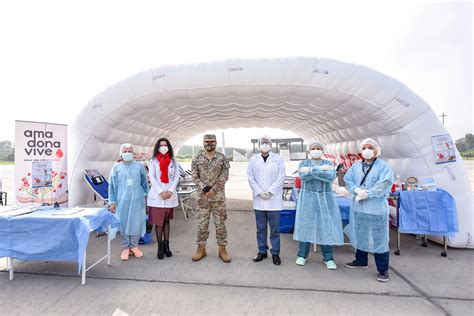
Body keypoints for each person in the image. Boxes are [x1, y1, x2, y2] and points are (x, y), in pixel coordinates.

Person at [343, 138, 394, 282]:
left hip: (376, 208)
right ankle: (361, 260)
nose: (366, 150)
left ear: (376, 150)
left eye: (370, 147)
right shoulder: (357, 166)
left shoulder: (383, 167)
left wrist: (368, 193)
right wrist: (357, 190)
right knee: (361, 235)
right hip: (359, 207)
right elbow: (348, 180)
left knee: (380, 238)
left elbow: (384, 183)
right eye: (364, 147)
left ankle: (383, 269)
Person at [294, 140, 344, 269]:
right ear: (309, 150)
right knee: (305, 225)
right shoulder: (303, 163)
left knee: (325, 226)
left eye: (318, 148)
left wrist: (311, 170)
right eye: (313, 148)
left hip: (324, 198)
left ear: (322, 150)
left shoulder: (328, 163)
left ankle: (328, 257)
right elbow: (303, 176)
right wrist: (320, 170)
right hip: (307, 198)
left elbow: (330, 177)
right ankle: (302, 255)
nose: (315, 150)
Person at [191, 134, 231, 263]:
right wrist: (203, 188)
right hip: (202, 198)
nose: (209, 143)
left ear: (216, 142)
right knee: (202, 224)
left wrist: (214, 189)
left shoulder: (222, 158)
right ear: (203, 143)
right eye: (207, 141)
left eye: (212, 141)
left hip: (217, 197)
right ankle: (201, 249)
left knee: (220, 224)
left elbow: (224, 175)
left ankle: (222, 249)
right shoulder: (196, 158)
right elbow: (194, 175)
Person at [247, 135, 286, 265]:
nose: (265, 144)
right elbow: (250, 177)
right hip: (259, 201)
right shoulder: (253, 159)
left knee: (275, 229)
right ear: (259, 145)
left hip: (273, 200)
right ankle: (262, 251)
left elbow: (281, 177)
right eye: (262, 143)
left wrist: (270, 192)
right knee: (260, 228)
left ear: (271, 144)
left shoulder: (278, 159)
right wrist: (259, 192)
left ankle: (275, 253)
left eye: (267, 142)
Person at [108, 143, 149, 261]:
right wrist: (112, 202)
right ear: (121, 153)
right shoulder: (116, 168)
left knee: (136, 222)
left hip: (137, 199)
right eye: (125, 151)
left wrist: (144, 194)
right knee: (124, 223)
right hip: (122, 200)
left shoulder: (139, 167)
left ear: (133, 153)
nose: (127, 153)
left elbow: (144, 182)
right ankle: (126, 247)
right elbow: (111, 186)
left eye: (130, 151)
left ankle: (134, 246)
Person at [147, 138, 180, 260]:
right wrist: (161, 192)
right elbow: (152, 177)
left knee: (166, 221)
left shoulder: (173, 161)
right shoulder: (153, 161)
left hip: (169, 195)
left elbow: (176, 176)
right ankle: (160, 247)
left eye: (165, 145)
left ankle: (167, 245)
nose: (163, 147)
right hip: (157, 196)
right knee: (158, 223)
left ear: (169, 147)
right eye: (161, 145)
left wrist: (170, 191)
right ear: (157, 147)